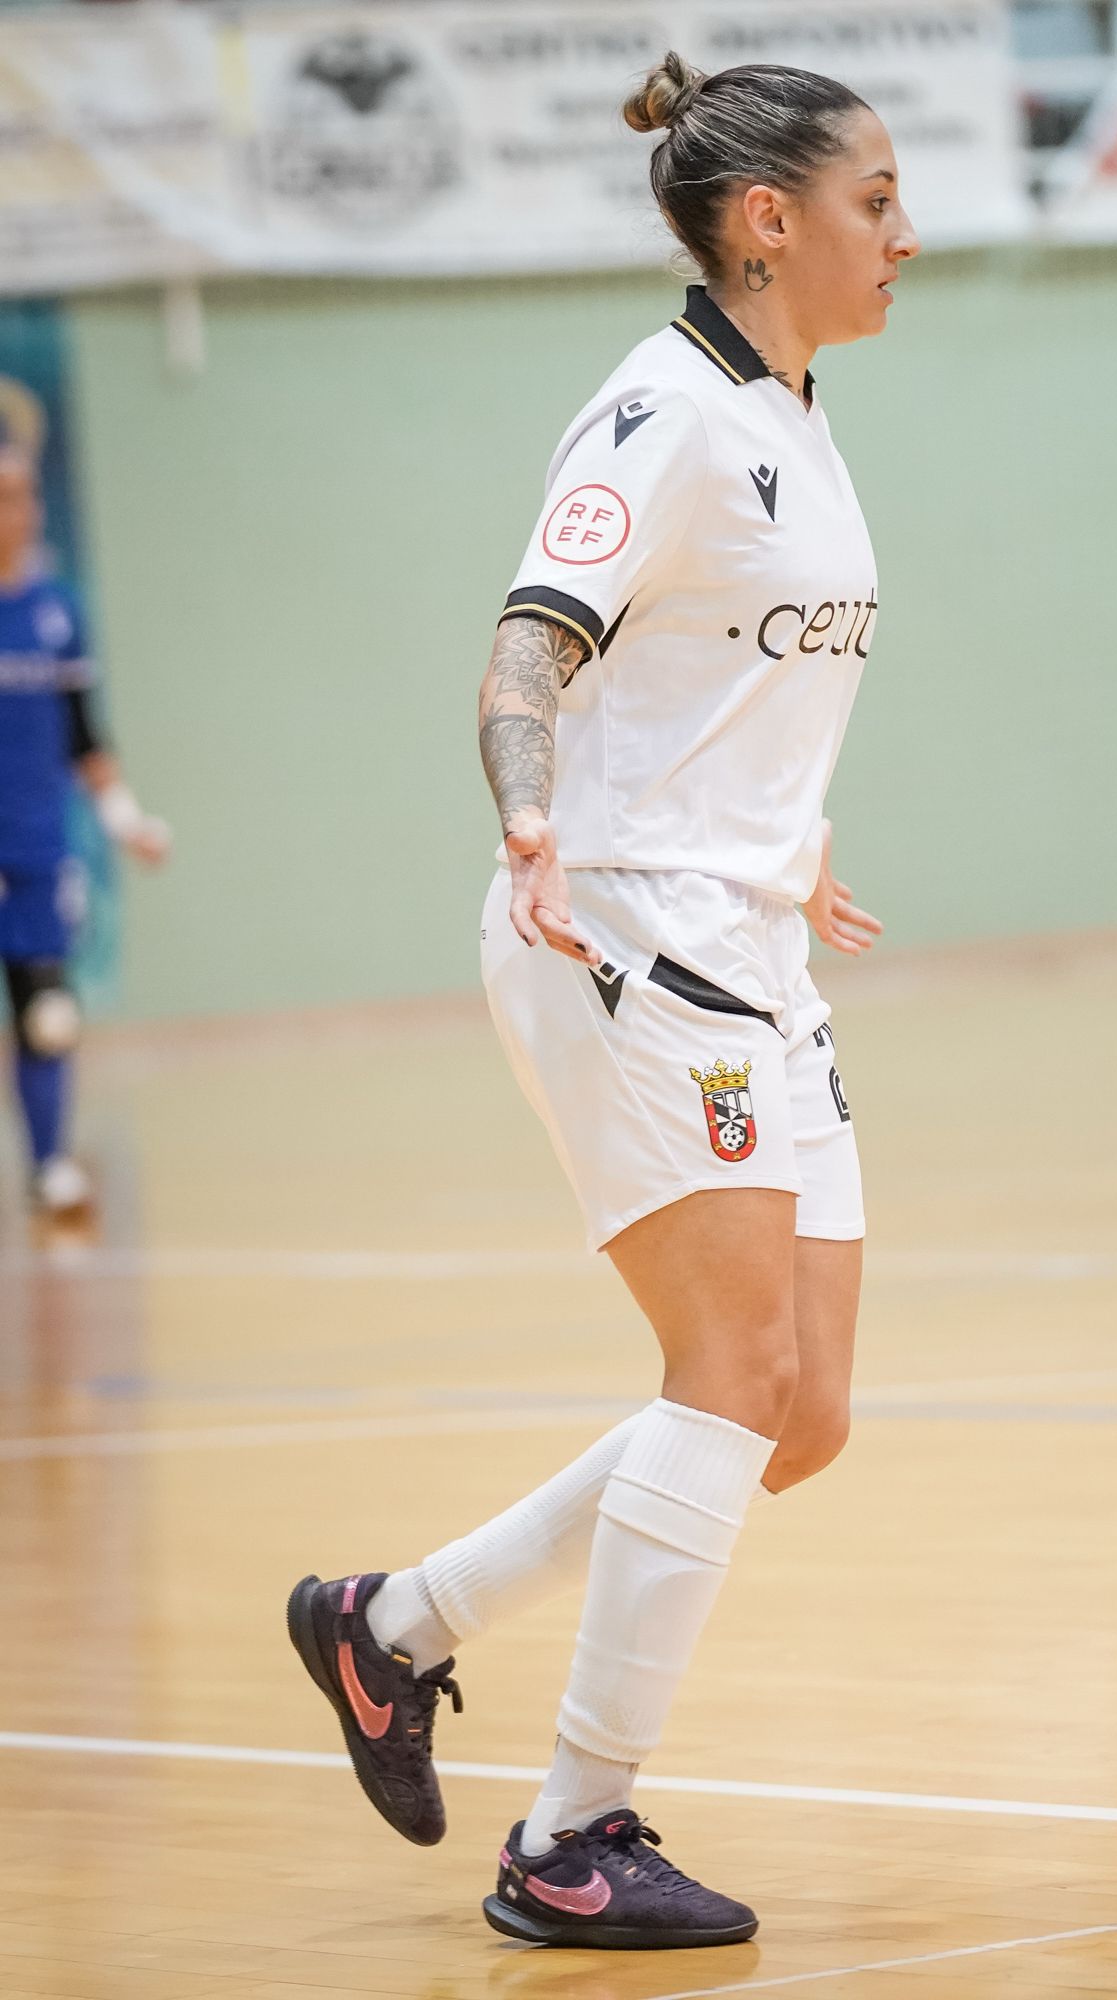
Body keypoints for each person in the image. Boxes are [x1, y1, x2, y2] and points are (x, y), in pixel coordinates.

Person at [287, 52, 916, 1950]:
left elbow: (723, 675)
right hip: (623, 937)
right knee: (730, 1376)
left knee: (800, 1412)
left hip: (749, 939)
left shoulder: (796, 416)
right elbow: (530, 645)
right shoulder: (661, 412)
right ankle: (571, 1834)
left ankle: (393, 1626)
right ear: (768, 221)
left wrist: (787, 838)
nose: (905, 233)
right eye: (877, 200)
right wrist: (533, 815)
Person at [0, 447, 169, 1214]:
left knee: (48, 1018)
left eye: (26, 495)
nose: (20, 512)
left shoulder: (58, 613)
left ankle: (49, 1166)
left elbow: (83, 736)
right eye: (5, 496)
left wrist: (127, 821)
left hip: (37, 852)